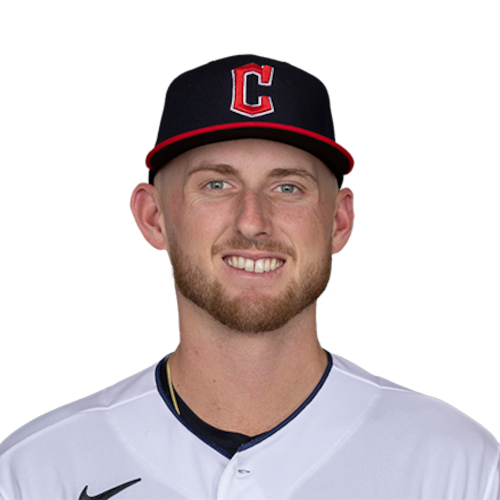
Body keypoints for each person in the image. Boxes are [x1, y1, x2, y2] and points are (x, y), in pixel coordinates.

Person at [1, 52, 498, 499]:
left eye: (288, 187)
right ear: (153, 217)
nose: (252, 222)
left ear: (340, 221)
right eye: (216, 184)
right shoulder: (37, 470)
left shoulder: (458, 466)